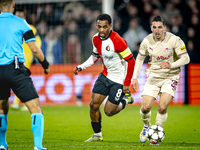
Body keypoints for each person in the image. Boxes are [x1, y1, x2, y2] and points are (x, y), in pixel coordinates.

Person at [73, 13, 135, 142]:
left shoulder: (118, 41)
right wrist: (81, 66)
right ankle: (97, 134)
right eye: (99, 26)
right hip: (105, 75)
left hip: (119, 80)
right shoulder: (95, 38)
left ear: (110, 26)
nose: (101, 30)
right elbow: (95, 56)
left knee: (108, 111)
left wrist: (126, 83)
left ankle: (124, 100)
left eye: (104, 27)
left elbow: (131, 61)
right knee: (93, 105)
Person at [131, 16, 190, 144]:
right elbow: (140, 59)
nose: (157, 30)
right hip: (153, 75)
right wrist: (134, 77)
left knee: (162, 107)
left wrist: (171, 65)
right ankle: (147, 126)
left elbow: (186, 59)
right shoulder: (147, 41)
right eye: (154, 27)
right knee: (145, 108)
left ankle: (157, 130)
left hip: (170, 76)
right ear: (151, 28)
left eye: (159, 27)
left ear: (164, 28)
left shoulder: (174, 40)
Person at [0, 0, 50, 150]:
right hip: (15, 70)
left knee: (2, 108)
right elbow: (34, 49)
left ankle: (2, 144)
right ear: (13, 4)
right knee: (35, 108)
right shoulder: (21, 23)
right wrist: (45, 64)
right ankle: (38, 147)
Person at [11, 9, 42, 111]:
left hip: (25, 57)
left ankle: (21, 103)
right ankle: (21, 102)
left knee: (21, 80)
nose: (19, 18)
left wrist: (35, 52)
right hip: (13, 57)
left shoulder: (30, 28)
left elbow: (38, 41)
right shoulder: (12, 28)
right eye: (17, 16)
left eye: (20, 16)